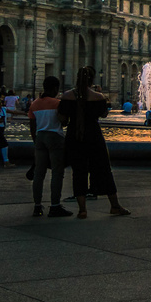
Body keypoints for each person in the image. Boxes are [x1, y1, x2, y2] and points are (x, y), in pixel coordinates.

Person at [59, 66, 131, 218]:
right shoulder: (98, 97)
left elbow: (63, 120)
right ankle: (114, 206)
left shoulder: (67, 96)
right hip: (93, 136)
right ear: (92, 80)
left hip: (75, 136)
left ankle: (82, 209)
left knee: (78, 172)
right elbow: (104, 114)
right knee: (104, 169)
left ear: (77, 78)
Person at [27, 76, 72, 218]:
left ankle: (37, 206)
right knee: (57, 173)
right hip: (55, 137)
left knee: (39, 174)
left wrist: (36, 142)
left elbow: (32, 126)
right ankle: (55, 206)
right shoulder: (58, 103)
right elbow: (63, 122)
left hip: (40, 137)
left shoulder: (34, 104)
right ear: (54, 88)